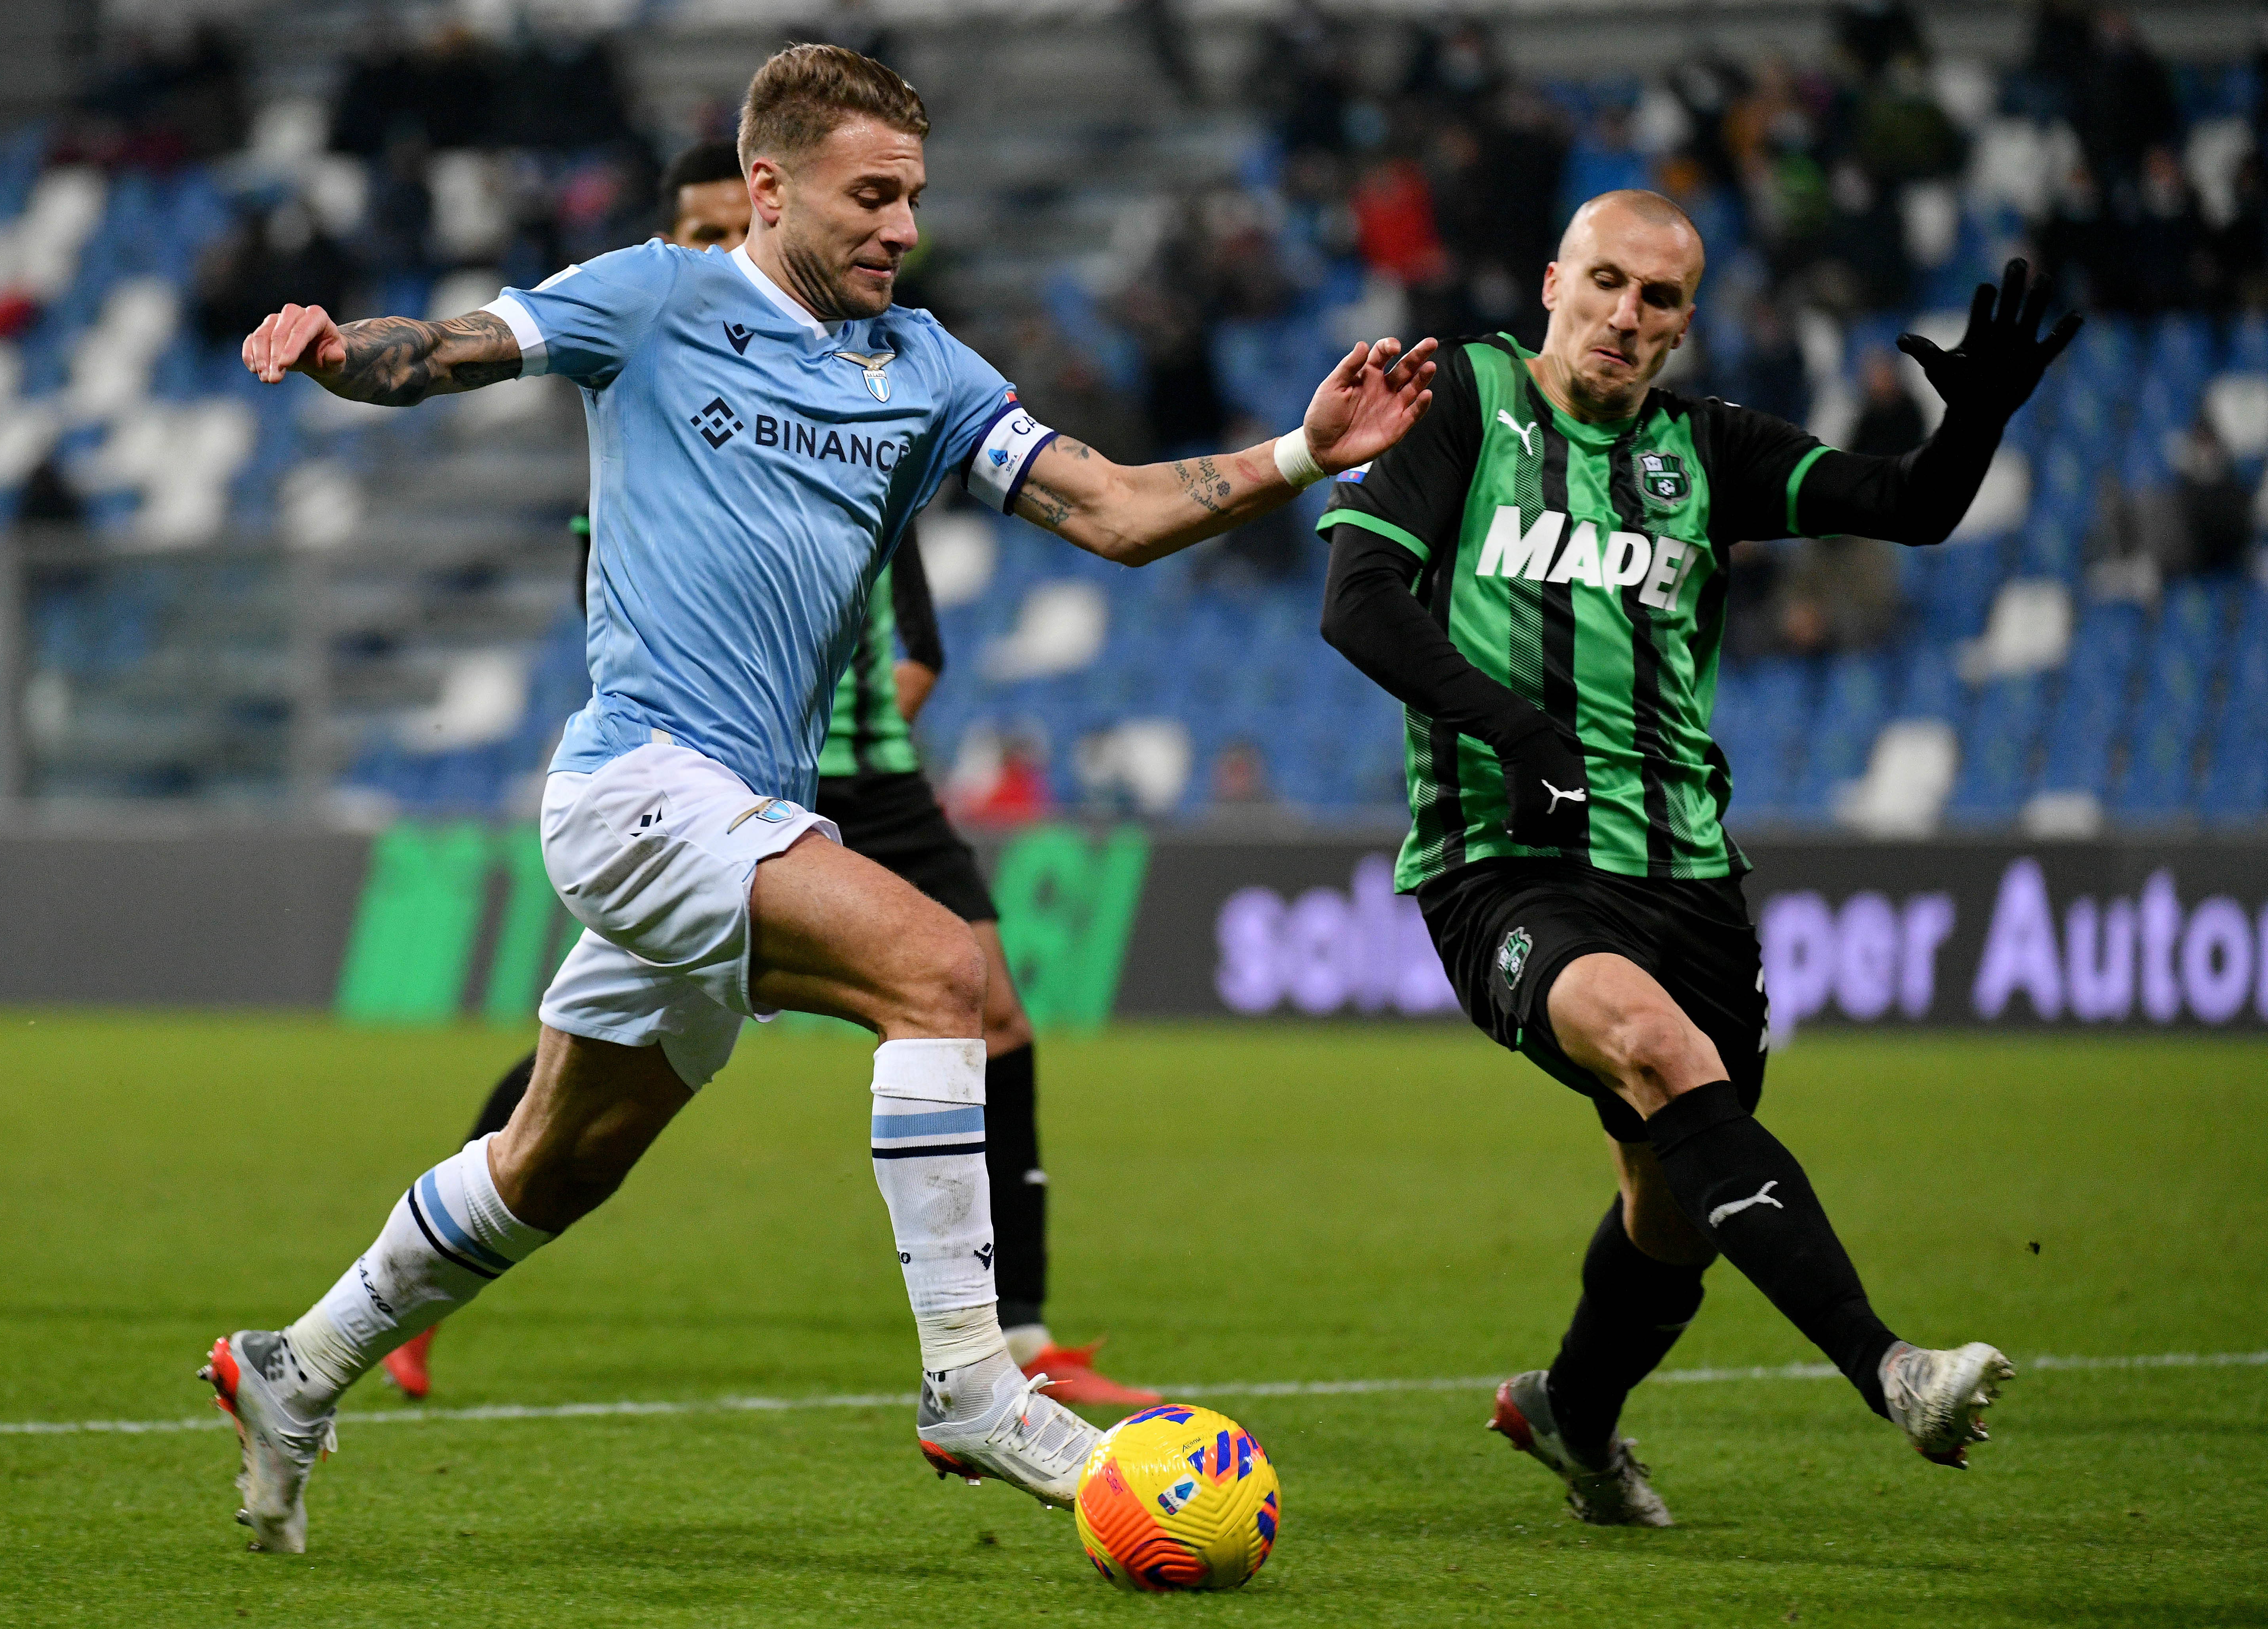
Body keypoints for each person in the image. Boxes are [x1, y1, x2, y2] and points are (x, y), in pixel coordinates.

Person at [214, 43, 1436, 1554]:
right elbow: (447, 349)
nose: (901, 228)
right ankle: (975, 1384)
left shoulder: (923, 368)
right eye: (872, 196)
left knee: (555, 1163)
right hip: (639, 785)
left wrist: (1307, 449)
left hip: (744, 809)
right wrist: (342, 353)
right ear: (771, 187)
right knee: (943, 971)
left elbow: (1115, 513)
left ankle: (297, 1366)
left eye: (914, 197)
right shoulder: (658, 298)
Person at [1316, 190, 2075, 1526]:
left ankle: (1573, 1415)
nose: (1626, 315)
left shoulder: (1707, 447)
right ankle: (1892, 1369)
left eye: (1658, 299)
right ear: (1554, 282)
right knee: (1663, 1055)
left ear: (1683, 323)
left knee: (1670, 1212)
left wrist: (1982, 419)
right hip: (1506, 856)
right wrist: (1518, 731)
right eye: (1605, 282)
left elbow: (1908, 509)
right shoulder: (1468, 399)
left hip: (1689, 875)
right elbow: (1357, 601)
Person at [375, 142, 1160, 1411]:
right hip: (692, 780)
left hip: (857, 781)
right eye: (690, 234)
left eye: (718, 230)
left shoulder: (877, 404)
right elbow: (629, 623)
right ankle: (974, 1385)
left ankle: (1014, 1335)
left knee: (984, 1006)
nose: (705, 256)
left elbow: (922, 637)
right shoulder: (651, 411)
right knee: (608, 1087)